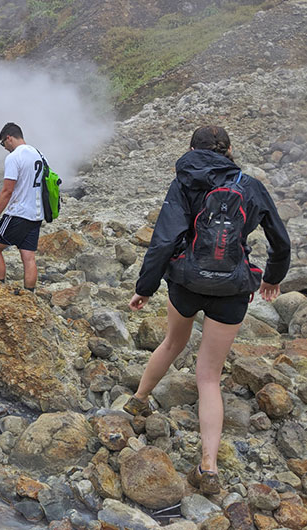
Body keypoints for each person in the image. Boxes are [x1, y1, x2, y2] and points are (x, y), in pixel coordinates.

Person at [126, 125, 290, 495]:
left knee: (171, 343)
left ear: (191, 149)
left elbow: (164, 240)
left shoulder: (184, 182)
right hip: (232, 288)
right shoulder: (249, 185)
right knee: (209, 377)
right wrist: (272, 278)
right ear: (230, 150)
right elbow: (280, 240)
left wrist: (145, 289)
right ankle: (209, 468)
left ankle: (138, 401)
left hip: (185, 283)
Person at [0, 122, 47, 292]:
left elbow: (7, 190)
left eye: (3, 143)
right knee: (28, 256)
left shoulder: (14, 157)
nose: (4, 148)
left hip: (18, 212)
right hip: (36, 213)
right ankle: (29, 294)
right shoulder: (39, 155)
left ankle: (0, 289)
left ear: (9, 138)